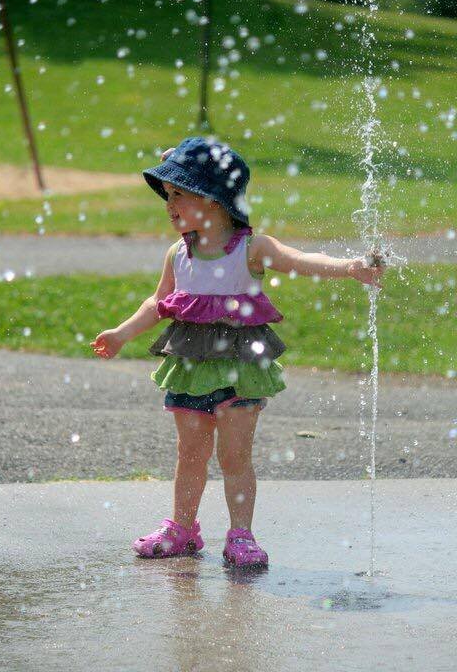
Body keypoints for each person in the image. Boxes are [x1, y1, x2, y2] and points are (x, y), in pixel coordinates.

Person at [90, 136, 385, 568]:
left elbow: (300, 259)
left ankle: (241, 534)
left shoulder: (252, 249)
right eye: (167, 195)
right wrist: (121, 333)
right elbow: (159, 303)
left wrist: (350, 269)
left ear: (213, 198)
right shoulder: (178, 254)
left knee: (234, 456)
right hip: (190, 365)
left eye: (179, 194)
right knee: (190, 454)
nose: (169, 205)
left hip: (240, 367)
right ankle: (184, 529)